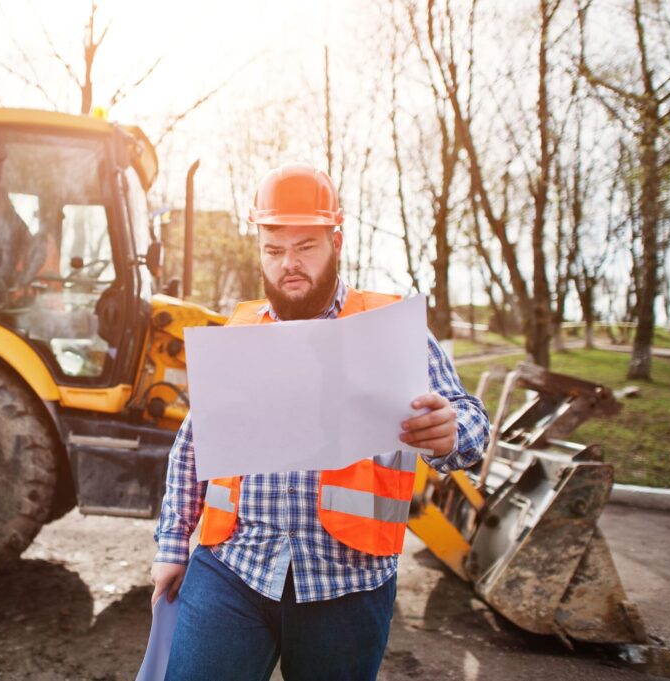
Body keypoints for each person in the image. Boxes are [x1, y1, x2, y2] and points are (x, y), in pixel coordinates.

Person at [150, 163, 489, 681]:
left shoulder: (388, 330)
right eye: (273, 248)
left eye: (305, 246)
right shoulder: (239, 334)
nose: (289, 264)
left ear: (336, 240)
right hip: (234, 568)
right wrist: (173, 545)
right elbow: (192, 443)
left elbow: (470, 423)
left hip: (346, 584)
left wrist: (449, 433)